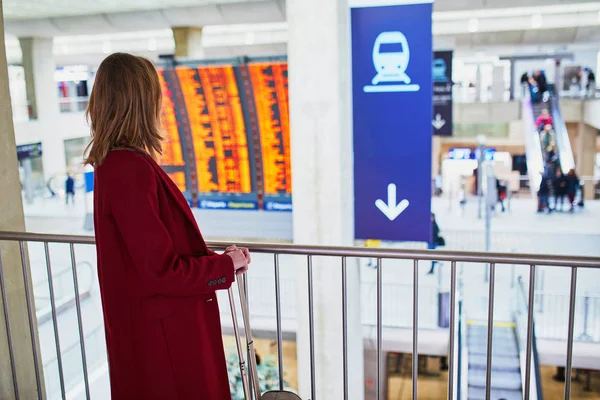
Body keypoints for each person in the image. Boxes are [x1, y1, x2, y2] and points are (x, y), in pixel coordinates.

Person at [84, 53, 251, 400]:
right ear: (141, 102)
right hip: (166, 339)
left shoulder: (112, 164)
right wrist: (225, 264)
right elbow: (160, 271)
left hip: (150, 334)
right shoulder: (130, 170)